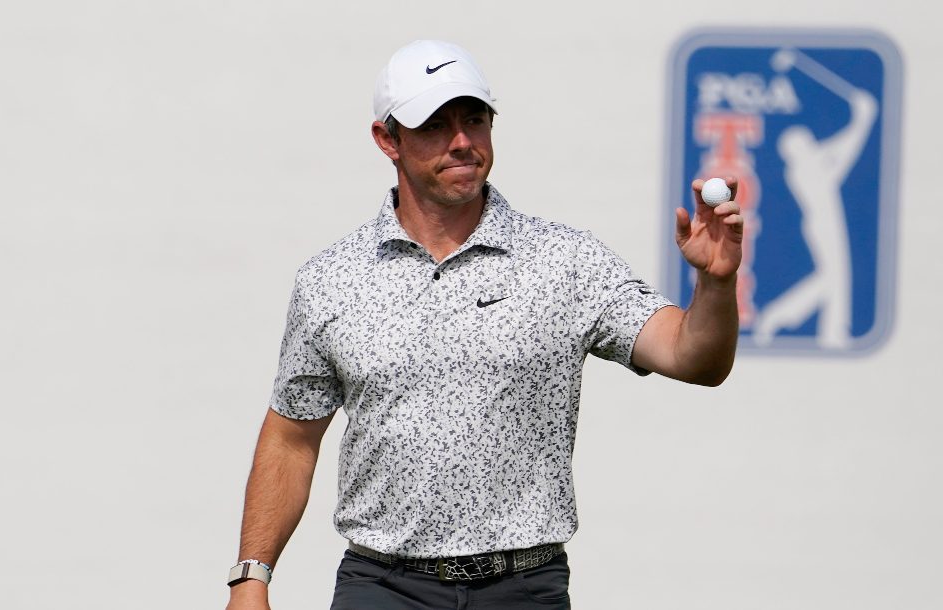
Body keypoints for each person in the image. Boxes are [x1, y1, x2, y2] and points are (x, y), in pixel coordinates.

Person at [225, 39, 744, 610]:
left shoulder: (564, 260)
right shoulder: (331, 280)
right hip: (382, 586)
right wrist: (251, 577)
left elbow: (693, 358)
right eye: (434, 126)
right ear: (387, 140)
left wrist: (715, 284)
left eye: (474, 120)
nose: (461, 142)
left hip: (524, 587)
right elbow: (291, 438)